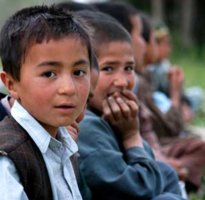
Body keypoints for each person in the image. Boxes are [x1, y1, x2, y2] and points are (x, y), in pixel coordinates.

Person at [94, 1, 205, 192]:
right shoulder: (91, 125)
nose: (144, 43)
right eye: (142, 36)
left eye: (128, 68)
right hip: (148, 159)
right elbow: (164, 128)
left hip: (148, 156)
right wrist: (176, 97)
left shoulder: (142, 80)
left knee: (169, 173)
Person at [76, 10, 186, 200]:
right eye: (108, 69)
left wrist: (128, 130)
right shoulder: (86, 124)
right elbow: (138, 190)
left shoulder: (109, 114)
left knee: (166, 172)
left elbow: (148, 162)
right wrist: (131, 135)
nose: (122, 81)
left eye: (128, 68)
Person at [0, 5, 93, 200]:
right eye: (49, 73)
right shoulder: (7, 159)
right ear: (11, 84)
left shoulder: (62, 140)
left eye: (78, 72)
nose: (68, 88)